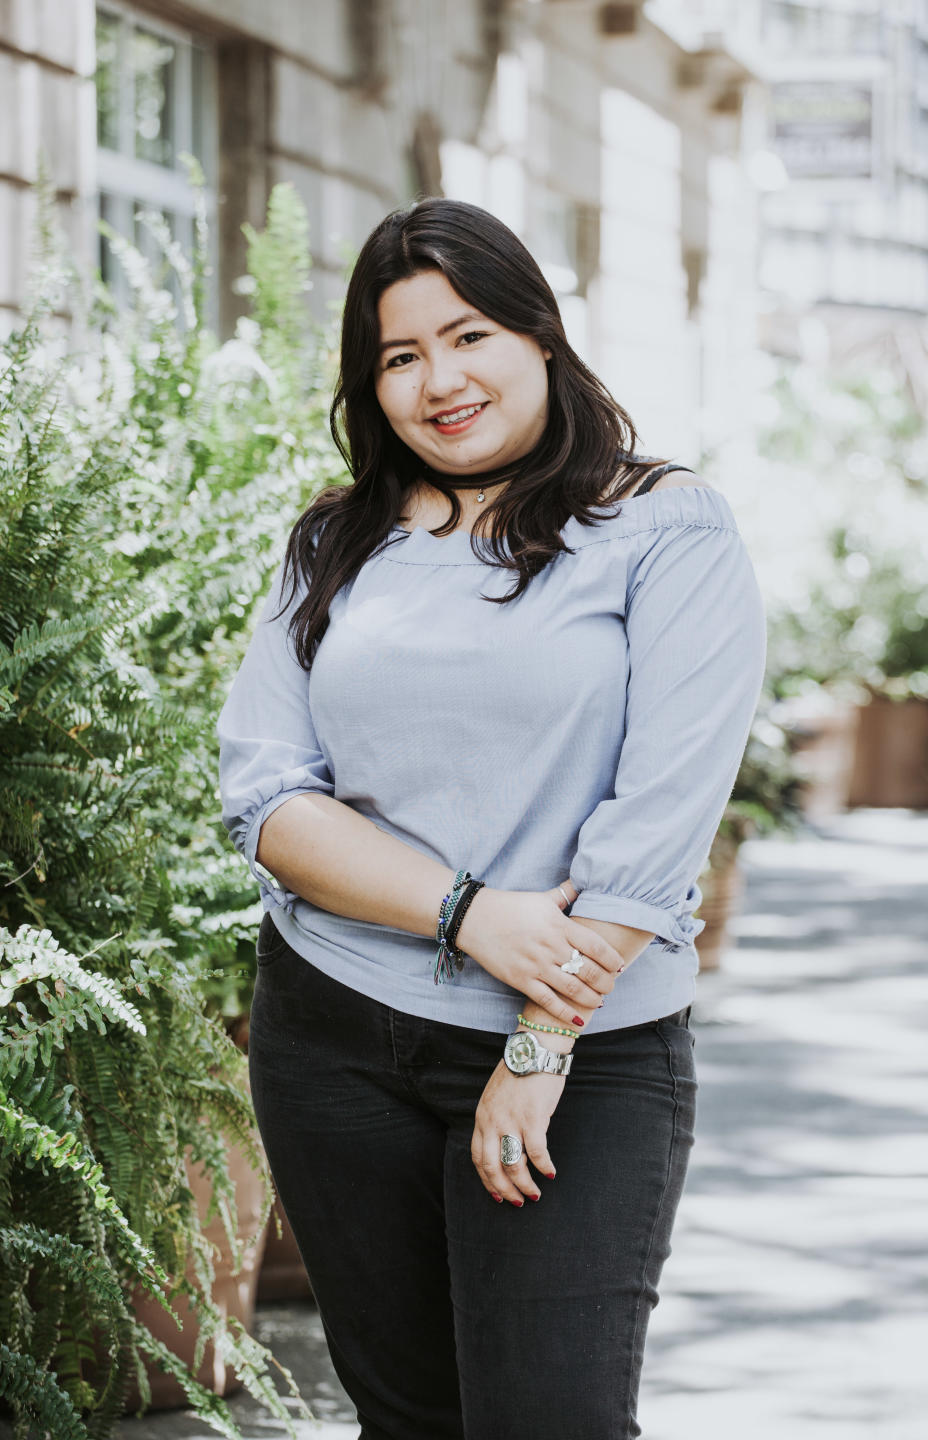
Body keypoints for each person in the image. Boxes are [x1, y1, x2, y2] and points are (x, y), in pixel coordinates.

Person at [217, 197, 766, 1440]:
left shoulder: (661, 528)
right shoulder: (333, 542)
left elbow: (656, 827)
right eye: (400, 356)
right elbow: (266, 797)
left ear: (540, 336)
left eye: (467, 336)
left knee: (549, 1419)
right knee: (406, 1419)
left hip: (584, 1051)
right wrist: (471, 917)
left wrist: (537, 1041)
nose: (439, 380)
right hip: (335, 1029)